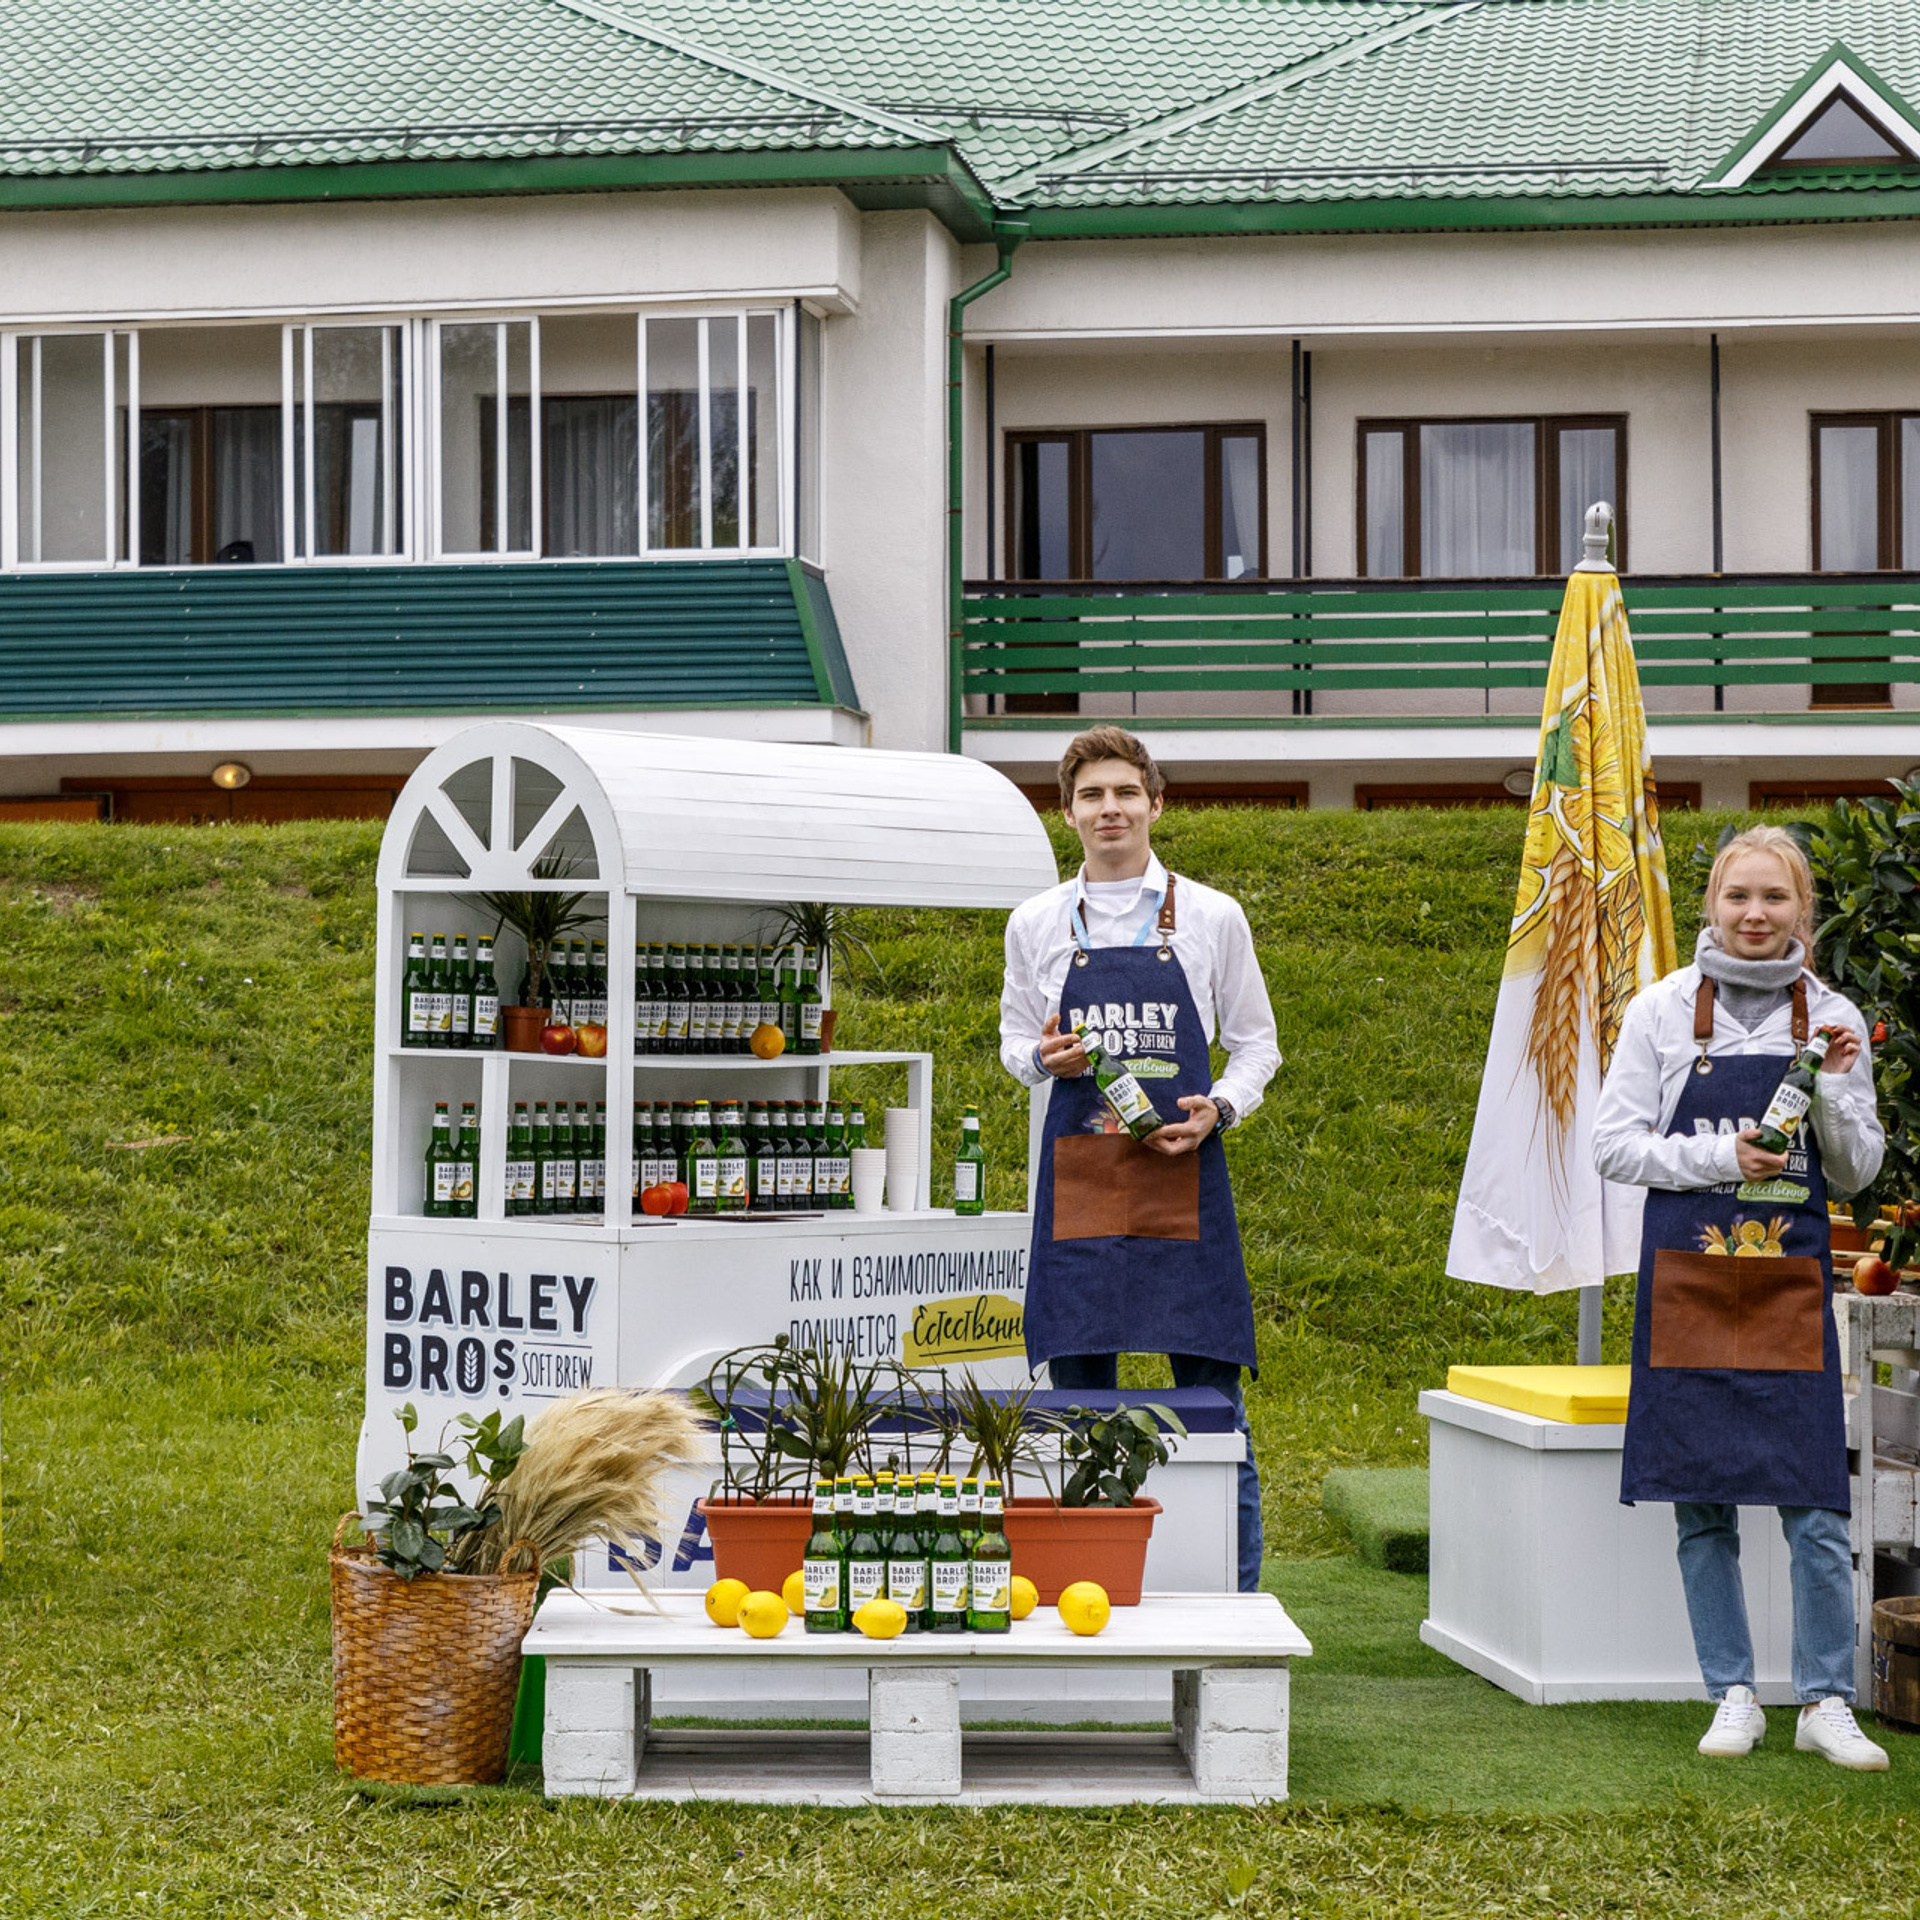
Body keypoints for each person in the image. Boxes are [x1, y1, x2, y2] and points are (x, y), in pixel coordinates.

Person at [1594, 824, 1887, 1769]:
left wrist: (1837, 1089)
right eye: (1738, 897)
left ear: (1803, 910)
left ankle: (1823, 1700)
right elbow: (1614, 1146)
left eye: (1775, 899)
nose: (1755, 915)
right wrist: (1723, 1155)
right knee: (1702, 1501)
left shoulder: (1834, 1016)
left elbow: (1854, 1174)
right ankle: (1731, 1691)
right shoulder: (1663, 1011)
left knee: (1816, 1507)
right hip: (1689, 1280)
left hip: (1788, 1292)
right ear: (1712, 904)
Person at [999, 726, 1279, 1592]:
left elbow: (1258, 1046)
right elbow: (1013, 1041)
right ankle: (1087, 1583)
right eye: (1092, 795)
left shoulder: (1211, 916)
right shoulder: (1037, 922)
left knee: (1212, 1407)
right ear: (1069, 810)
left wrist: (1219, 1109)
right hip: (1082, 1190)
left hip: (1182, 1180)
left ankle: (1230, 1591)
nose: (1109, 809)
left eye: (1125, 792)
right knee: (1082, 1404)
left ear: (1155, 804)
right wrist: (1044, 1062)